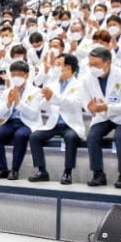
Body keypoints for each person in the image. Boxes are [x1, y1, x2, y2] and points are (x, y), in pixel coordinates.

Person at [82, 47, 121, 189]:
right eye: (90, 64)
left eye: (96, 64)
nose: (92, 68)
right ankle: (98, 174)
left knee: (120, 137)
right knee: (92, 136)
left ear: (107, 63)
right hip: (101, 116)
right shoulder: (87, 78)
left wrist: (106, 107)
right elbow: (85, 101)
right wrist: (90, 107)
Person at [28, 54, 85, 185]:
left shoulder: (79, 85)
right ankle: (42, 171)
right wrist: (47, 99)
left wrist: (53, 97)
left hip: (71, 124)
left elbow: (74, 103)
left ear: (68, 68)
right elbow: (42, 106)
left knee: (71, 137)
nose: (56, 68)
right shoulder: (52, 84)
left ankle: (67, 172)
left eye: (59, 65)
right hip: (54, 124)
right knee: (34, 136)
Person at [0, 61, 42, 180]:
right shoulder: (8, 91)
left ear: (26, 75)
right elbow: (0, 113)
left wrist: (18, 102)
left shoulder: (36, 91)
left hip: (27, 123)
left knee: (20, 135)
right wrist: (8, 103)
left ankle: (15, 170)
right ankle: (2, 169)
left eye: (19, 74)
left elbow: (33, 114)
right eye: (13, 75)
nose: (16, 77)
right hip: (11, 122)